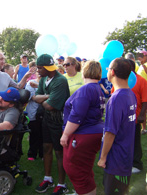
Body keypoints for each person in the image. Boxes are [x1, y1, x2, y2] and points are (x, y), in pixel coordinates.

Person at [60, 60, 105, 195]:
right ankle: (83, 191)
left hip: (83, 133)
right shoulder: (98, 88)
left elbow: (77, 115)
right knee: (84, 169)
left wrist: (65, 134)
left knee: (75, 168)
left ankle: (86, 192)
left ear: (85, 71)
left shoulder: (86, 89)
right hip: (93, 131)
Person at [98, 58, 137, 195]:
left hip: (116, 160)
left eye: (108, 68)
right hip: (125, 156)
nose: (107, 71)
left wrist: (103, 157)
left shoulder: (116, 98)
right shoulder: (130, 94)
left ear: (112, 72)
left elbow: (110, 132)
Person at [33, 54, 70, 195]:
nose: (37, 70)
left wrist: (44, 99)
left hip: (58, 120)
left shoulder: (60, 81)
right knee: (46, 147)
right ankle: (48, 179)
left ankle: (62, 184)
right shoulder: (44, 79)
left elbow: (49, 106)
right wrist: (49, 97)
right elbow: (35, 97)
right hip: (46, 120)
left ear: (47, 68)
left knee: (59, 152)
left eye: (40, 68)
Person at [127, 59, 147, 174]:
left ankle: (137, 164)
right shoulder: (121, 80)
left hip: (135, 117)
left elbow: (145, 100)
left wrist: (141, 115)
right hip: (123, 118)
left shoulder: (141, 81)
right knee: (125, 141)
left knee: (135, 141)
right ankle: (127, 162)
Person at [25, 72, 43, 161]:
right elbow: (33, 98)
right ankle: (32, 153)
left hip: (44, 113)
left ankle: (42, 154)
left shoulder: (47, 83)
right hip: (33, 113)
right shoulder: (30, 83)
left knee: (43, 134)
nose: (40, 74)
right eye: (38, 71)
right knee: (34, 134)